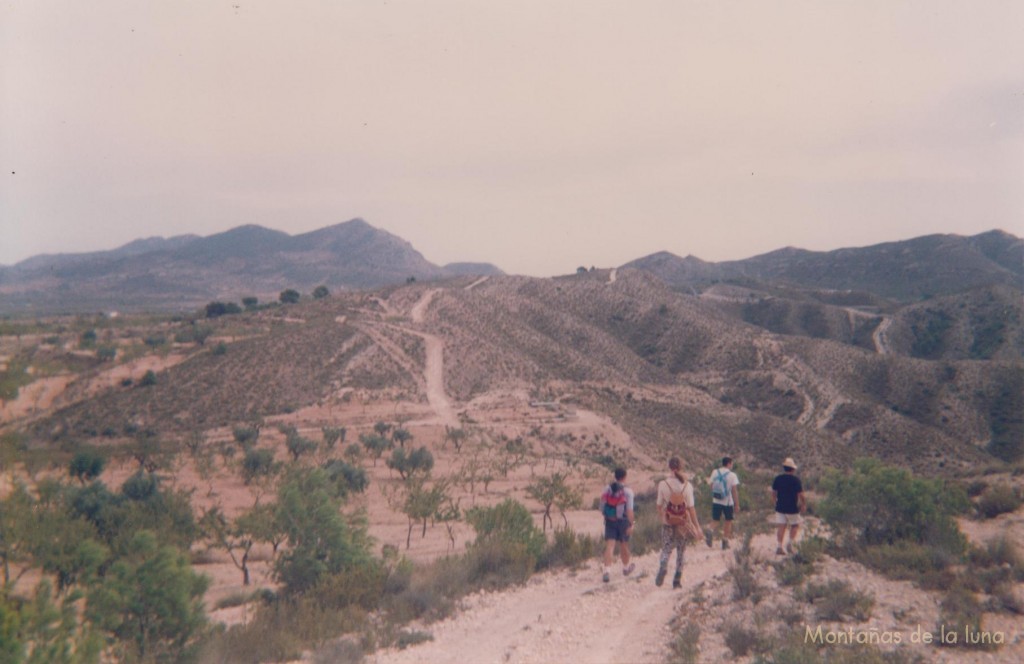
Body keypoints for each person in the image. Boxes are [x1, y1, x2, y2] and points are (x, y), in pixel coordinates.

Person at [655, 457, 700, 589]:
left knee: (666, 548)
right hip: (683, 523)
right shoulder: (687, 486)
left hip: (668, 521)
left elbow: (658, 506)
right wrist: (697, 527)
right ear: (681, 467)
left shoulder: (663, 484)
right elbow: (691, 509)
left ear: (669, 467)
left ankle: (663, 564)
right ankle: (677, 580)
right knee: (681, 551)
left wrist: (664, 517)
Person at [600, 467, 635, 582]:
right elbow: (629, 511)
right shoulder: (628, 492)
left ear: (615, 476)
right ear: (624, 477)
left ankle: (607, 571)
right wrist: (631, 524)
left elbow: (602, 506)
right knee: (623, 545)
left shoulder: (607, 488)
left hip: (610, 520)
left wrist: (607, 516)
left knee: (610, 545)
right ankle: (625, 568)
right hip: (623, 521)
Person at [771, 457, 805, 555]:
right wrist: (803, 504)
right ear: (793, 469)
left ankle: (779, 546)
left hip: (780, 506)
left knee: (781, 526)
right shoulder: (796, 480)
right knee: (795, 525)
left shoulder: (778, 479)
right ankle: (790, 543)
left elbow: (773, 493)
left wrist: (775, 502)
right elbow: (801, 494)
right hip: (792, 507)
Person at [705, 456, 740, 550]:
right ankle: (725, 541)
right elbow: (734, 491)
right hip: (728, 502)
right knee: (728, 521)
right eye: (731, 463)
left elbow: (711, 485)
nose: (732, 465)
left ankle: (709, 529)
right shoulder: (732, 475)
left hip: (716, 500)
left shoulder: (715, 472)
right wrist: (737, 504)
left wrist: (717, 494)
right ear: (729, 463)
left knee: (715, 520)